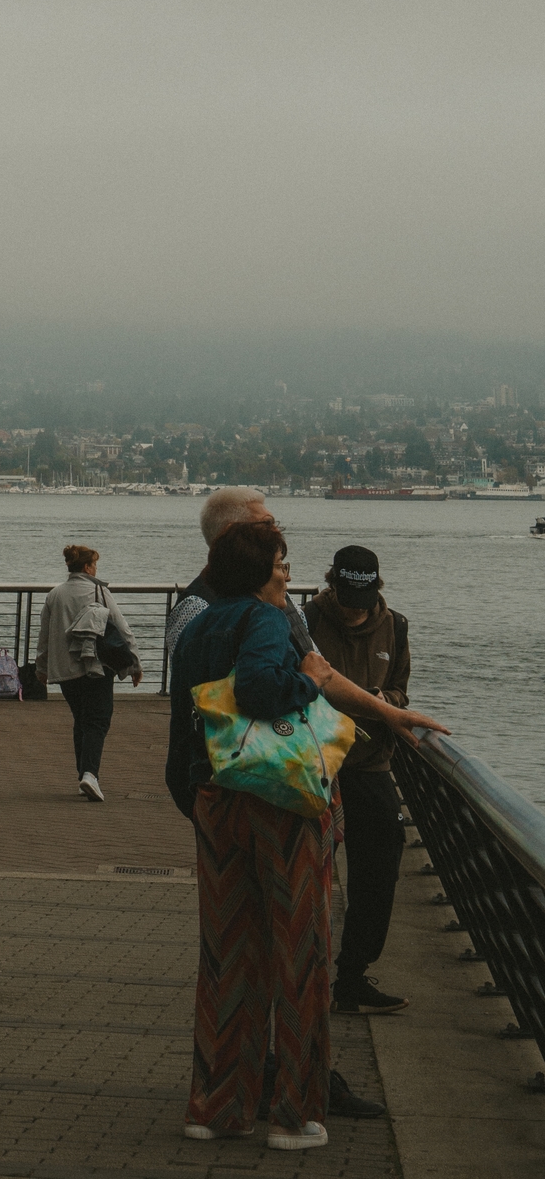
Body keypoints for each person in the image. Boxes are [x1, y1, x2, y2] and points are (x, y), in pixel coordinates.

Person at [166, 517, 446, 1149]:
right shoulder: (265, 620)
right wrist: (311, 681)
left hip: (216, 799)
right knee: (300, 957)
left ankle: (214, 1108)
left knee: (229, 957)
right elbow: (264, 692)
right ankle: (295, 1115)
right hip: (281, 804)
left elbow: (184, 724)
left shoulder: (195, 623)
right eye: (282, 564)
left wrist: (196, 795)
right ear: (261, 572)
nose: (288, 575)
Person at [308, 545, 412, 1016]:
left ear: (377, 589)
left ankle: (352, 975)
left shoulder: (397, 626)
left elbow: (400, 692)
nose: (355, 608)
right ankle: (303, 975)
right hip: (314, 764)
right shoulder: (303, 621)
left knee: (382, 862)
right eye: (347, 596)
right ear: (332, 584)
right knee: (308, 871)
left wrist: (378, 698)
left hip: (370, 764)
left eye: (364, 597)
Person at [35, 544, 142, 803]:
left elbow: (44, 636)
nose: (96, 568)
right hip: (96, 668)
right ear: (87, 567)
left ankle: (83, 773)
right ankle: (90, 775)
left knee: (81, 720)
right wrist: (135, 663)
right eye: (95, 564)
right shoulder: (98, 591)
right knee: (98, 720)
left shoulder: (54, 595)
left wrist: (42, 668)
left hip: (65, 671)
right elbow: (122, 627)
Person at [167, 489, 316, 662]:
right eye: (267, 524)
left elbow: (315, 660)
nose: (276, 531)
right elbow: (194, 677)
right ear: (232, 533)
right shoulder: (197, 604)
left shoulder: (279, 596)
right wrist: (307, 680)